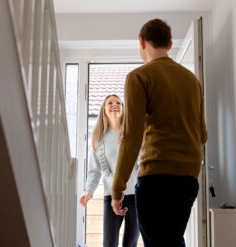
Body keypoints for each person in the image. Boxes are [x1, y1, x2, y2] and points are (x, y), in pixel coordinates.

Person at [111, 19, 208, 246]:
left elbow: (131, 137)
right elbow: (202, 135)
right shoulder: (193, 81)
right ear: (170, 44)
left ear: (142, 42)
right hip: (188, 181)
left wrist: (117, 188)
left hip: (157, 180)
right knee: (172, 240)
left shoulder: (139, 77)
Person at [80, 95, 140, 247]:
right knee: (109, 243)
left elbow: (142, 164)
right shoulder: (98, 138)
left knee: (130, 243)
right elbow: (94, 171)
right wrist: (89, 191)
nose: (115, 105)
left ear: (123, 108)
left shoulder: (132, 135)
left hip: (135, 196)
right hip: (111, 196)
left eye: (118, 102)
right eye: (110, 102)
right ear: (104, 110)